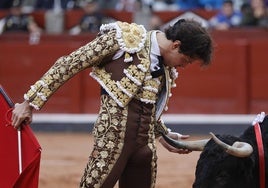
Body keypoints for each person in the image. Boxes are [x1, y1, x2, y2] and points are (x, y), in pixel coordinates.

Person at [12, 19, 213, 187]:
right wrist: (29, 102)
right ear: (175, 45)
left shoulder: (166, 67)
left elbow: (146, 105)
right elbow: (70, 63)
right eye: (186, 59)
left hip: (145, 148)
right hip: (112, 141)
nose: (184, 66)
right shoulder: (124, 39)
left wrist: (163, 134)